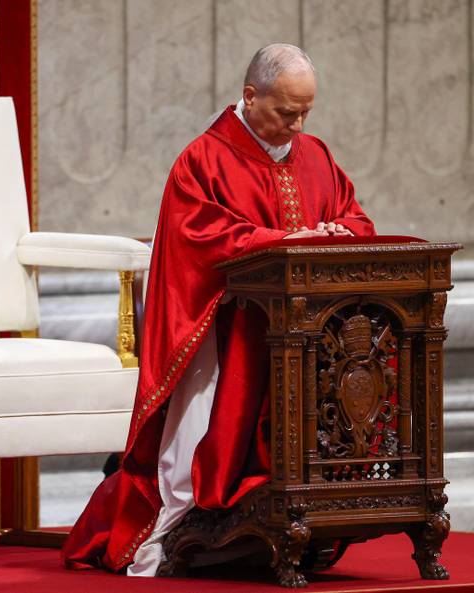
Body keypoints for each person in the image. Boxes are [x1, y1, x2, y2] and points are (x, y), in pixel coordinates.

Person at [62, 44, 375, 576]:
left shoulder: (316, 154)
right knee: (208, 429)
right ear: (250, 96)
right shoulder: (203, 160)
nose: (297, 125)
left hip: (303, 340)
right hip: (228, 335)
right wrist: (284, 240)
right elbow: (201, 238)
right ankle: (189, 530)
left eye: (306, 112)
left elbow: (354, 215)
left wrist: (337, 233)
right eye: (285, 112)